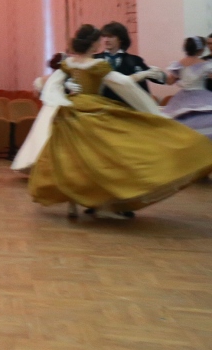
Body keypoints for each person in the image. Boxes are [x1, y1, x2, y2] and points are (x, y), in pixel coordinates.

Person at [28, 24, 212, 220]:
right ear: (94, 44)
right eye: (102, 38)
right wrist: (144, 80)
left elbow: (53, 81)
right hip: (96, 114)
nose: (105, 41)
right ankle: (95, 200)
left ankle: (87, 202)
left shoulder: (72, 63)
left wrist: (47, 88)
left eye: (110, 36)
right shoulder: (97, 64)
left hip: (73, 112)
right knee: (93, 160)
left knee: (75, 159)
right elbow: (122, 82)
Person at [94, 21, 164, 104]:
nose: (106, 40)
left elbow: (158, 79)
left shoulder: (134, 60)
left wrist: (159, 74)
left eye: (111, 36)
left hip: (127, 106)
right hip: (102, 106)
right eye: (104, 36)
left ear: (120, 39)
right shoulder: (94, 59)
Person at [163, 36, 212, 141]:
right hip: (201, 96)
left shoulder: (179, 64)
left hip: (181, 98)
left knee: (181, 121)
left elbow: (169, 82)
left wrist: (158, 75)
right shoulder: (205, 64)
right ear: (201, 49)